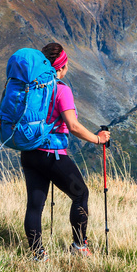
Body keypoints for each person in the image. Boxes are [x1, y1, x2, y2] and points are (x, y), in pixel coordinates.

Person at [21, 42, 110, 260]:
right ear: (61, 66)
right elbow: (73, 126)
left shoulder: (30, 87)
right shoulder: (61, 90)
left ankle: (37, 255)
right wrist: (98, 139)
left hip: (29, 153)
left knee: (35, 204)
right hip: (52, 154)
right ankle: (79, 246)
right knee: (80, 194)